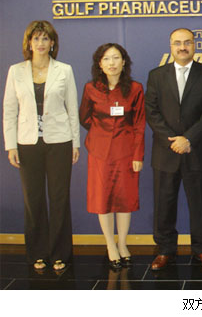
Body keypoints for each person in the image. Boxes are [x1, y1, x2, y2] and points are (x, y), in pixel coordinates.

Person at [3, 20, 80, 272]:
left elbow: (72, 109)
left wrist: (75, 143)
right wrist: (11, 145)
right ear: (28, 43)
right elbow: (9, 110)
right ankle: (37, 252)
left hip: (59, 142)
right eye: (35, 38)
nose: (40, 43)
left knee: (59, 198)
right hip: (27, 143)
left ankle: (60, 253)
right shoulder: (16, 71)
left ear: (52, 43)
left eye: (45, 38)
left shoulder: (64, 70)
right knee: (33, 199)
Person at [145, 28, 202, 270]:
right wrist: (173, 140)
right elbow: (152, 112)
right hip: (165, 151)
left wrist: (188, 138)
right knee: (164, 204)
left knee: (200, 204)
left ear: (194, 45)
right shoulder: (156, 75)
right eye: (177, 43)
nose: (182, 47)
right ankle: (165, 249)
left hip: (196, 149)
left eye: (187, 42)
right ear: (171, 46)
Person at [79, 43, 145, 270]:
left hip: (127, 152)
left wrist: (138, 154)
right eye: (106, 59)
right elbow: (84, 117)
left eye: (116, 58)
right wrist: (102, 133)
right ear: (100, 63)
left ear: (124, 62)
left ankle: (123, 243)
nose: (111, 63)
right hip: (100, 153)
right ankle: (110, 244)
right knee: (103, 200)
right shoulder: (91, 88)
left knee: (125, 200)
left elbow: (139, 124)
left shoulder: (135, 89)